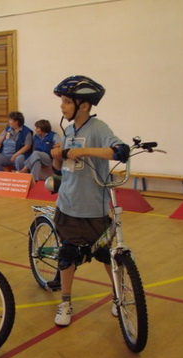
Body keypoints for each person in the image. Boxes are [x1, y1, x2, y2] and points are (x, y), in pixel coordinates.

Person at [49, 75, 130, 327]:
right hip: (68, 204)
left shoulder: (98, 128)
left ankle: (119, 297)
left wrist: (84, 151)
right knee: (67, 256)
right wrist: (56, 156)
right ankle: (65, 301)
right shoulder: (68, 130)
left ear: (83, 105)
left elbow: (119, 151)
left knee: (107, 256)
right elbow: (61, 168)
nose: (61, 106)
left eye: (65, 101)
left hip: (94, 206)